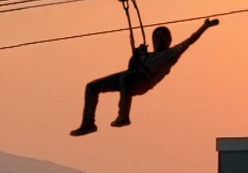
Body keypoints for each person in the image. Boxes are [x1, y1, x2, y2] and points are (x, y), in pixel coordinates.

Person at [70, 17, 218, 135]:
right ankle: (88, 123)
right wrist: (137, 55)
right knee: (92, 87)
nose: (159, 39)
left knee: (124, 78)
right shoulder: (145, 55)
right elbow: (131, 67)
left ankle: (123, 116)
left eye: (163, 37)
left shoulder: (170, 55)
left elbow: (189, 41)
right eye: (156, 36)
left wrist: (204, 27)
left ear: (168, 41)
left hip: (144, 81)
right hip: (131, 76)